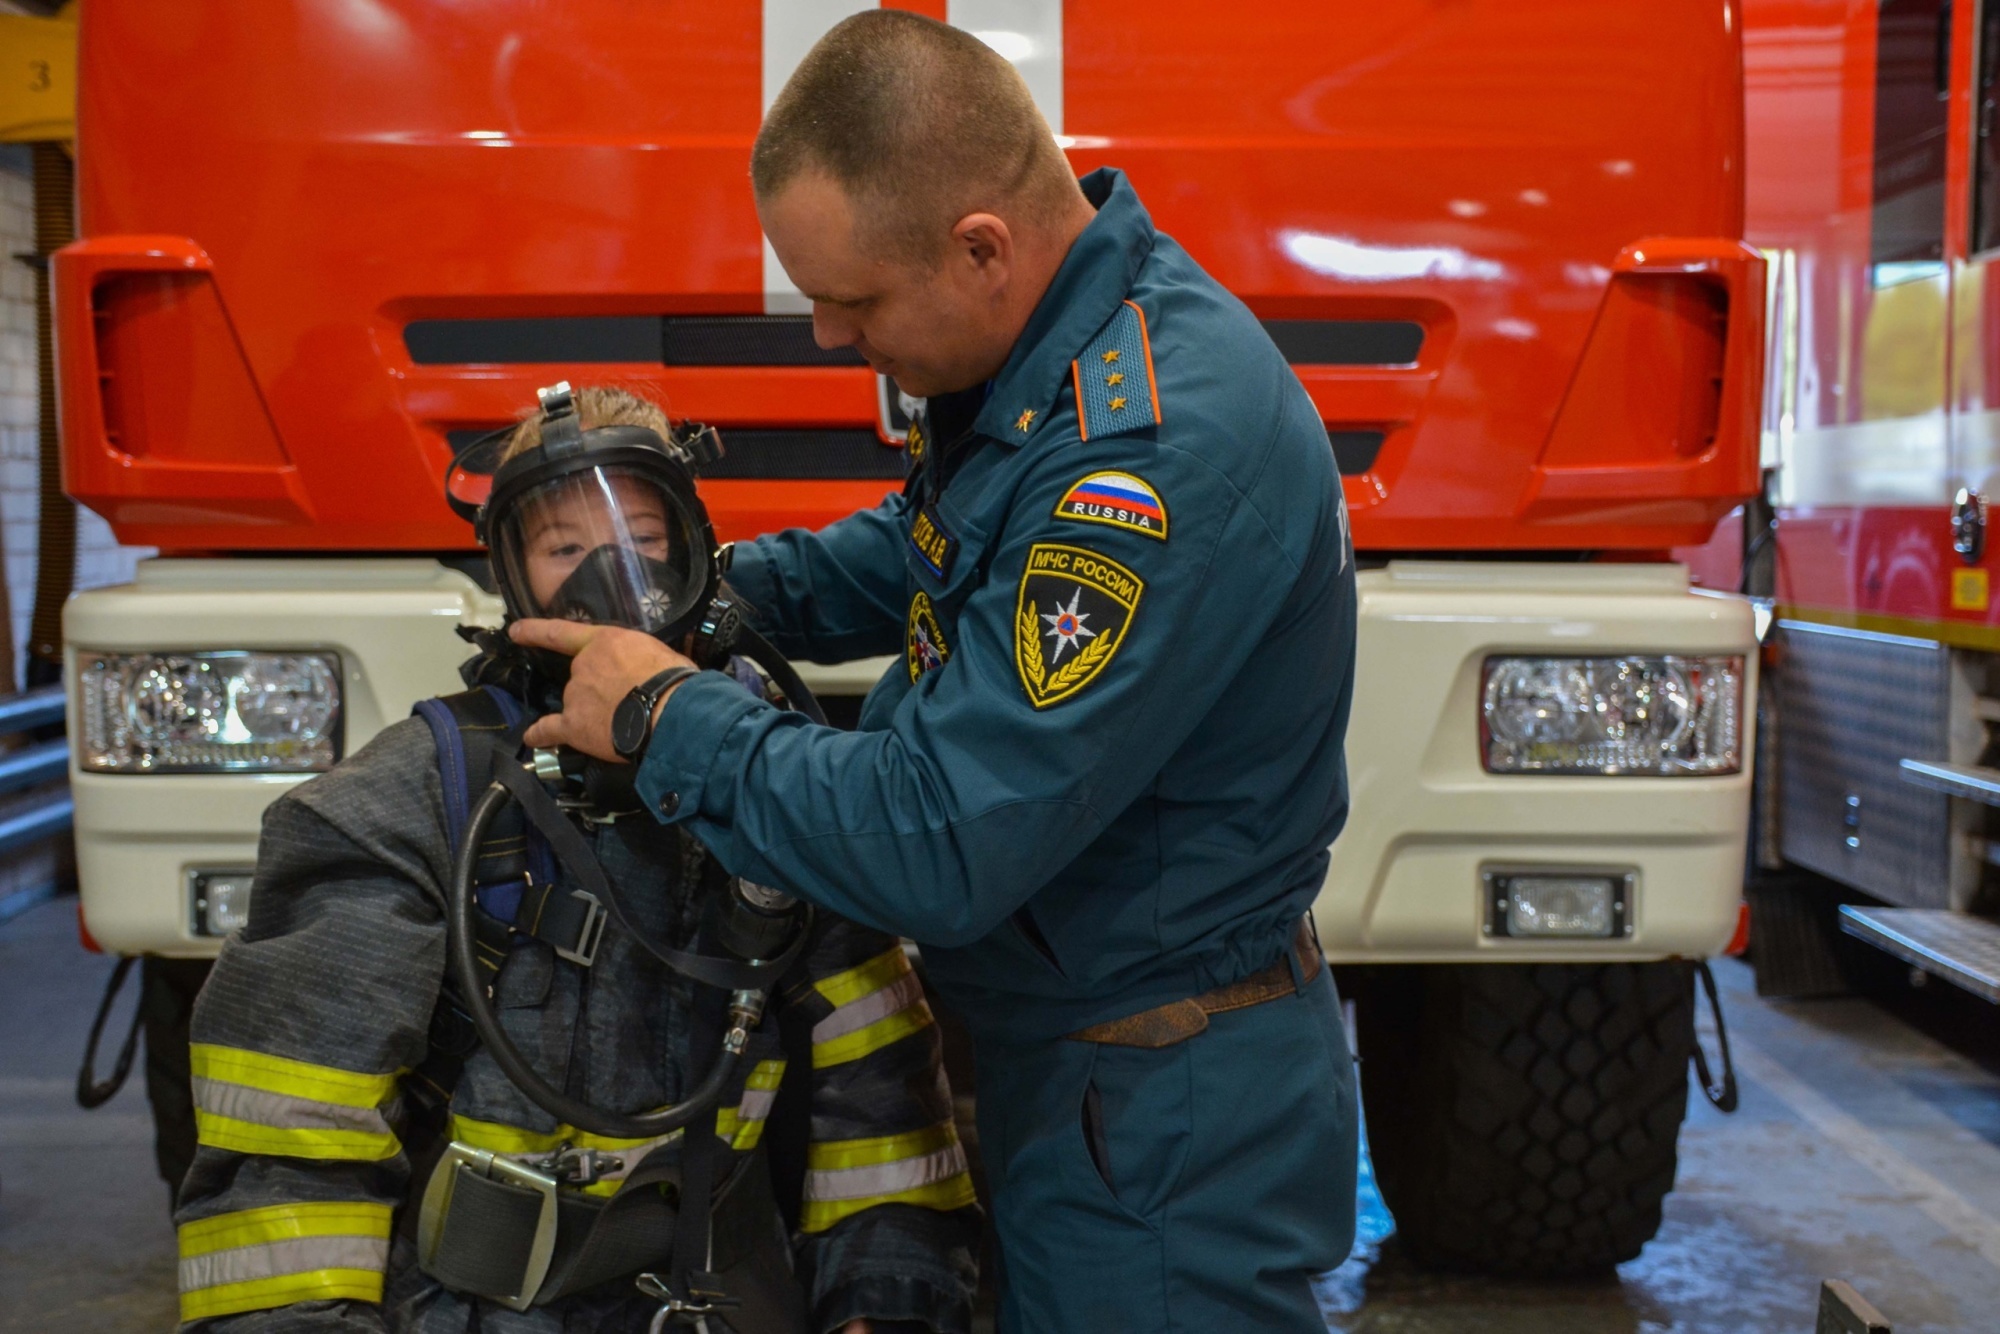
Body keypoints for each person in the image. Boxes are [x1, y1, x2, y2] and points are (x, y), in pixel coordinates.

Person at [515, 13, 1361, 1332]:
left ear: (982, 247)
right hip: (1091, 1062)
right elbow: (916, 559)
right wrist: (690, 592)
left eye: (852, 302)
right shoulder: (1051, 370)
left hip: (1158, 1115)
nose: (829, 341)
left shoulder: (1149, 460)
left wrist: (663, 712)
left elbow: (940, 834)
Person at [172, 385, 979, 1333]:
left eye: (643, 535)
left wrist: (883, 1307)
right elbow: (286, 1161)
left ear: (696, 554)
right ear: (514, 585)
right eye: (565, 549)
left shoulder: (773, 784)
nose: (612, 575)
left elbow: (877, 1098)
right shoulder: (411, 808)